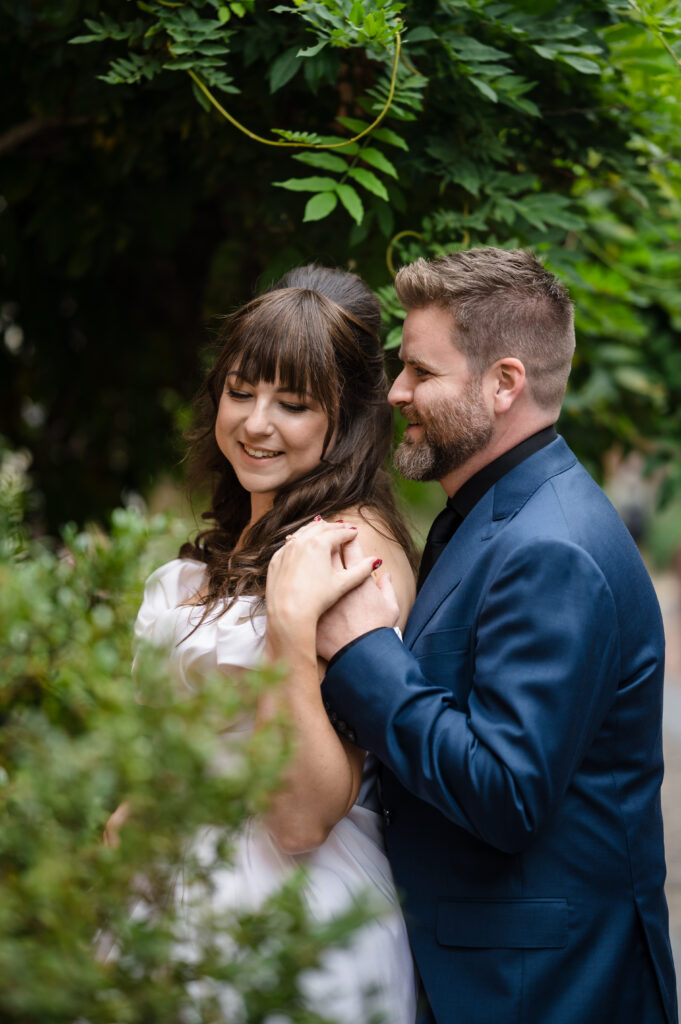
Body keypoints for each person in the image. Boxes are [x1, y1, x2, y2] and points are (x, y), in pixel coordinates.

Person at [268, 248, 679, 1024]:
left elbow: (506, 793)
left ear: (503, 383)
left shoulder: (551, 547)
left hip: (542, 990)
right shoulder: (494, 514)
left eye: (420, 371)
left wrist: (363, 652)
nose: (395, 391)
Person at [132, 265, 418, 1023]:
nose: (256, 424)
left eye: (292, 404)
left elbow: (299, 819)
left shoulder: (347, 554)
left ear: (347, 420)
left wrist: (288, 629)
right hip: (174, 906)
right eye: (240, 392)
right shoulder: (237, 543)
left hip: (294, 920)